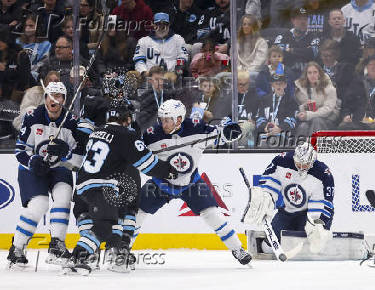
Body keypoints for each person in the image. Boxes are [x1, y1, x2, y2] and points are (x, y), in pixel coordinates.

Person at [135, 99, 252, 265]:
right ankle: (124, 251)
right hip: (160, 183)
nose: (163, 123)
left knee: (213, 215)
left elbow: (223, 136)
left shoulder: (197, 128)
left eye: (167, 120)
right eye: (161, 119)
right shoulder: (151, 135)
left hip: (191, 184)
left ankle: (237, 249)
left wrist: (233, 130)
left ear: (179, 119)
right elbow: (137, 153)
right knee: (136, 213)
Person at [68, 98, 178, 273]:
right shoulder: (125, 135)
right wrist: (169, 171)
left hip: (82, 186)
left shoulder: (97, 132)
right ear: (125, 118)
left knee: (103, 220)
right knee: (106, 226)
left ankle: (103, 254)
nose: (131, 121)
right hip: (102, 187)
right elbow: (148, 164)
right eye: (129, 117)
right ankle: (78, 257)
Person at [8, 82, 84, 267]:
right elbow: (20, 150)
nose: (54, 99)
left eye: (59, 96)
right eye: (51, 95)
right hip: (32, 169)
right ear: (45, 98)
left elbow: (79, 157)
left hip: (59, 168)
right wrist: (32, 161)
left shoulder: (72, 121)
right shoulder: (32, 116)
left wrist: (66, 154)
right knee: (39, 205)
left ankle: (57, 244)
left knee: (64, 196)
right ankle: (17, 247)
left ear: (64, 100)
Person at [243, 142, 334, 254]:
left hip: (308, 214)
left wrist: (316, 222)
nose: (301, 167)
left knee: (313, 246)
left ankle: (316, 238)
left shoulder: (323, 174)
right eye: (298, 163)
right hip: (287, 210)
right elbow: (270, 182)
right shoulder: (282, 161)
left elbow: (321, 203)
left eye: (305, 165)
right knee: (267, 248)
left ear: (312, 162)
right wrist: (267, 198)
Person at [339, 55, 375, 130]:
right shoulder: (357, 82)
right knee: (343, 126)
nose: (372, 67)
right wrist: (346, 115)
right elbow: (347, 104)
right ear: (366, 67)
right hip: (358, 121)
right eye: (370, 65)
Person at [133, 12, 189, 77]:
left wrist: (176, 73)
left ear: (169, 25)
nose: (161, 27)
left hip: (171, 76)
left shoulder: (178, 39)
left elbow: (183, 58)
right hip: (149, 77)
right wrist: (144, 72)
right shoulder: (143, 41)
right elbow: (139, 60)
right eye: (158, 24)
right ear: (153, 25)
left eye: (165, 24)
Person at [295, 61, 339, 136]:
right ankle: (301, 147)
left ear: (319, 74)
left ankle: (315, 147)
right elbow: (297, 108)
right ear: (306, 75)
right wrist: (304, 107)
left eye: (315, 72)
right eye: (309, 73)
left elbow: (328, 109)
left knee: (317, 121)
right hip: (308, 120)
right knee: (303, 127)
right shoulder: (300, 89)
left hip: (327, 119)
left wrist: (309, 115)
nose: (312, 75)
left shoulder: (329, 88)